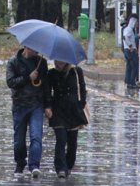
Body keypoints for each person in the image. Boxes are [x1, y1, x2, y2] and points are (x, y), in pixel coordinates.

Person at [6, 46, 48, 178]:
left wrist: (48, 105)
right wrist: (28, 78)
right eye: (35, 49)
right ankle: (20, 163)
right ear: (27, 47)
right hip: (19, 105)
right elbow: (11, 82)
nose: (37, 51)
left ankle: (34, 165)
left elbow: (46, 85)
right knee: (19, 139)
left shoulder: (41, 62)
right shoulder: (13, 62)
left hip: (36, 104)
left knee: (36, 136)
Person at [44, 60, 88, 178]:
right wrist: (48, 106)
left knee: (72, 142)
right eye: (57, 60)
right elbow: (47, 92)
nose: (59, 62)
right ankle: (60, 168)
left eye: (62, 60)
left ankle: (69, 165)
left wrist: (81, 104)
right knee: (61, 139)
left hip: (73, 111)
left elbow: (82, 89)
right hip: (58, 110)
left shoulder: (76, 72)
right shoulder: (52, 73)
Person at [123, 15, 140, 89]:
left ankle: (128, 81)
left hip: (126, 50)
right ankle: (132, 82)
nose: (137, 25)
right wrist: (130, 45)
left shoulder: (127, 29)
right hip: (130, 51)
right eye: (137, 23)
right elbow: (125, 37)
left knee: (129, 66)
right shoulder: (129, 30)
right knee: (134, 66)